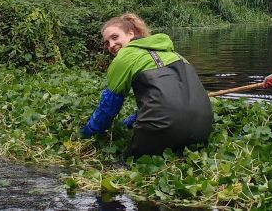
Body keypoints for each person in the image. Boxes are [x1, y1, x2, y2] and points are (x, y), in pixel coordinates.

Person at [80, 13, 213, 159]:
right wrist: (130, 122)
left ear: (130, 34)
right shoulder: (175, 54)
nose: (111, 45)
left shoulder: (124, 56)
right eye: (106, 42)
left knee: (123, 166)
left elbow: (107, 108)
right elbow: (167, 98)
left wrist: (86, 134)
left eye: (115, 37)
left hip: (162, 130)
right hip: (203, 129)